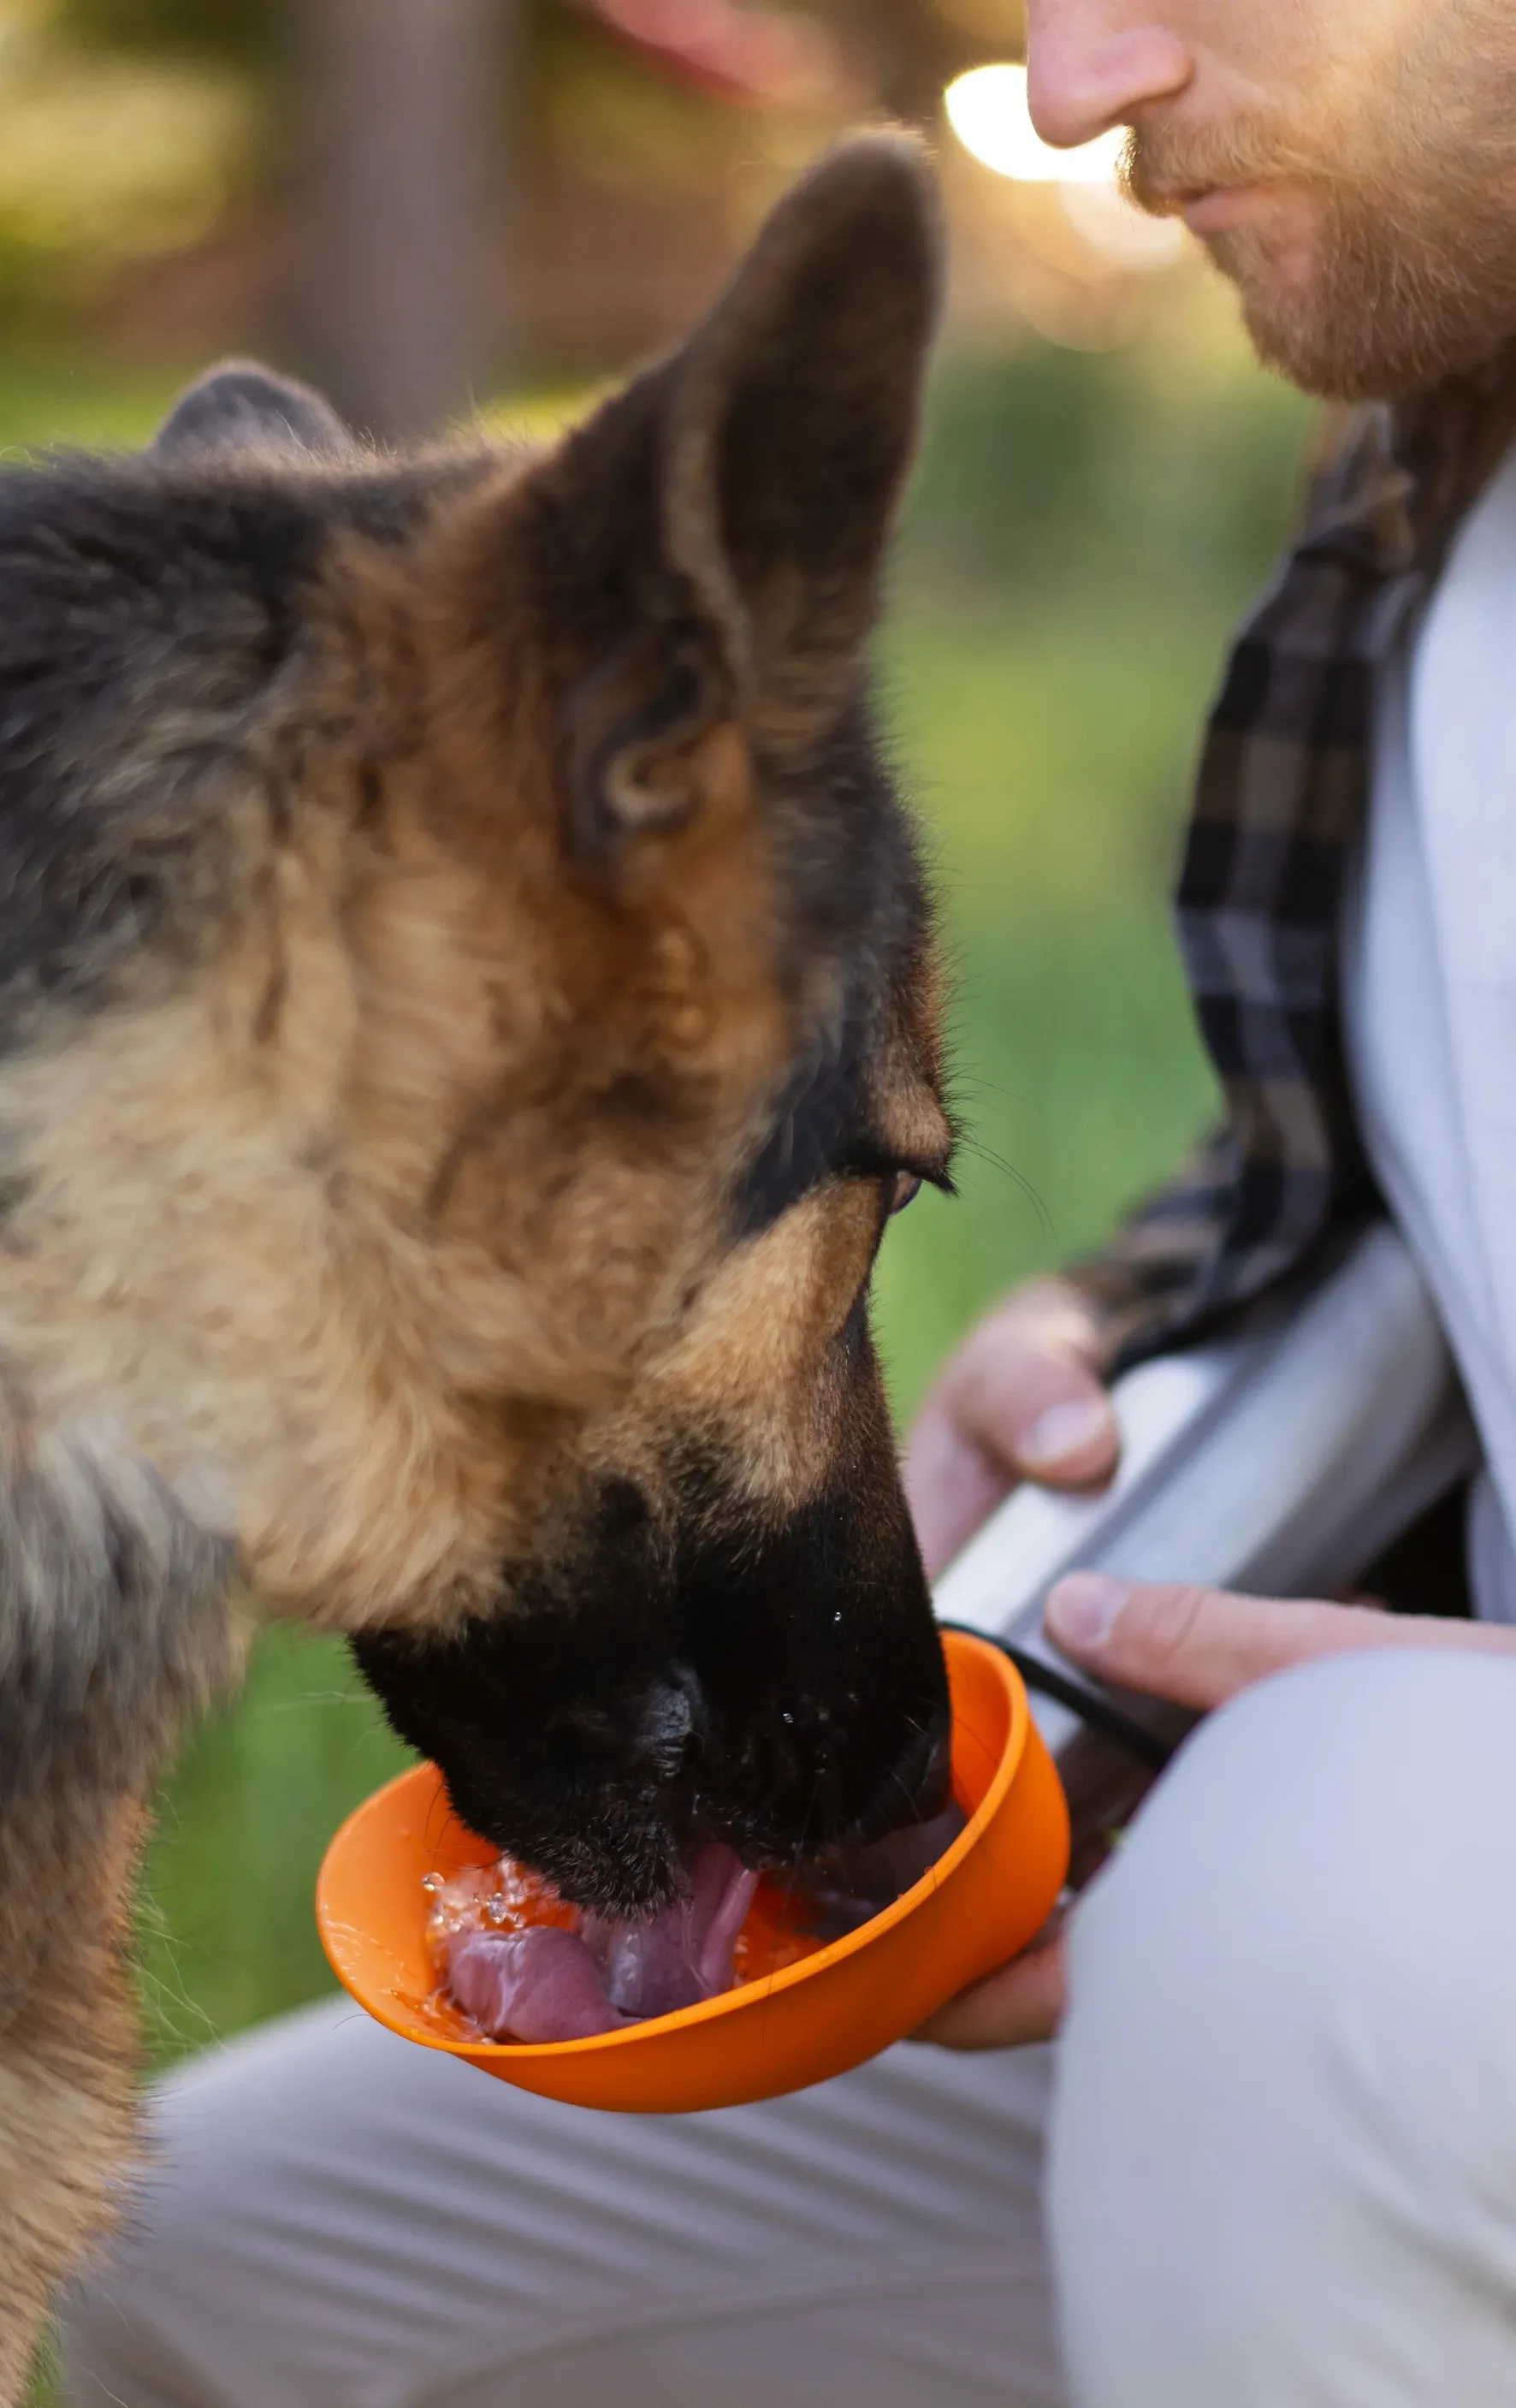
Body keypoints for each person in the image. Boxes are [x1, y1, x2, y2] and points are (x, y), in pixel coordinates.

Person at [60, 2, 1516, 2400]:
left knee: (1315, 1876)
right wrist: (1119, 1334)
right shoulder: (1416, 492)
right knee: (233, 2269)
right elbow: (1402, 1185)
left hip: (1362, 1902)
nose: (1066, 87)